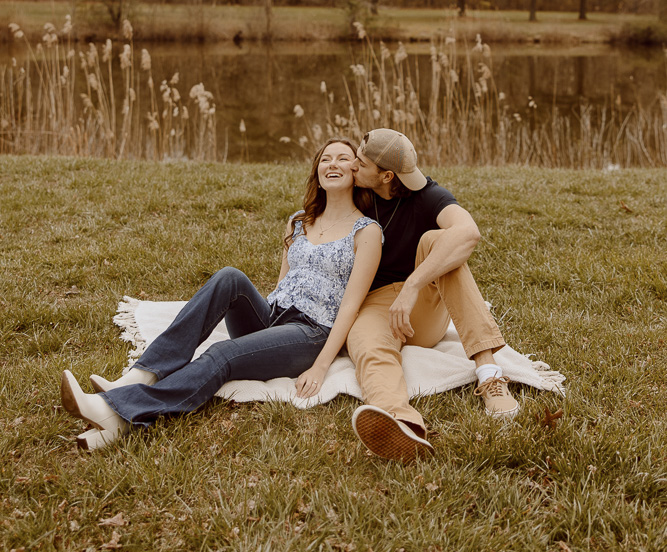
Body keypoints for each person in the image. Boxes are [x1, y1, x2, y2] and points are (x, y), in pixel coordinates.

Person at [60, 140, 383, 450]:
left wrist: (321, 365)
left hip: (310, 333)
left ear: (356, 171)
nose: (333, 164)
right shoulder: (298, 222)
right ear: (317, 171)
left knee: (223, 353)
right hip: (274, 317)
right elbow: (283, 282)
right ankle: (140, 375)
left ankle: (118, 412)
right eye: (326, 158)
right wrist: (263, 325)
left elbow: (351, 306)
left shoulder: (366, 231)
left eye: (343, 158)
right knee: (230, 276)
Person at [347, 128, 518, 463]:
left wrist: (412, 286)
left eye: (361, 163)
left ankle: (490, 375)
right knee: (368, 347)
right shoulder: (356, 194)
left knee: (440, 242)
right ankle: (401, 421)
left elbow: (469, 232)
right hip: (376, 306)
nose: (353, 166)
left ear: (386, 176)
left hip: (421, 305)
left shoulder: (427, 195)